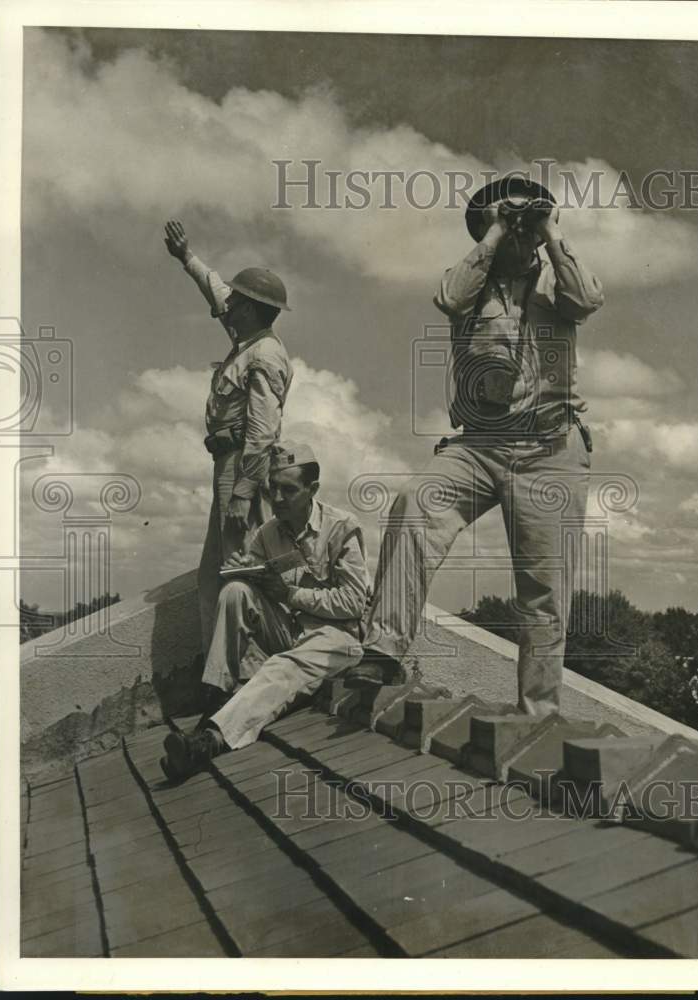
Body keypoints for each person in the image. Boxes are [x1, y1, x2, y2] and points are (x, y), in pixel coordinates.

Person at [347, 176, 604, 717]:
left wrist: (549, 231)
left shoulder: (557, 280)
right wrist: (491, 235)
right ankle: (383, 649)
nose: (515, 231)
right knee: (415, 506)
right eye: (502, 222)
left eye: (521, 222)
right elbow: (448, 297)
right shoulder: (471, 285)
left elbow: (587, 299)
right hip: (478, 445)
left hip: (549, 447)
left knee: (543, 590)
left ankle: (539, 716)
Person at [160, 442, 369, 781]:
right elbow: (255, 588)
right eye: (273, 489)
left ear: (312, 489)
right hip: (289, 630)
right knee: (235, 592)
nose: (279, 498)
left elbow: (354, 602)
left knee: (281, 666)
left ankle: (208, 741)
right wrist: (243, 571)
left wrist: (291, 594)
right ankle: (215, 698)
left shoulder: (342, 527)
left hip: (336, 638)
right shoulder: (268, 532)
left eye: (289, 489)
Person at [164, 220, 294, 656]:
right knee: (213, 575)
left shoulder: (265, 354)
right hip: (228, 464)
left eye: (239, 299)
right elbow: (217, 290)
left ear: (252, 309)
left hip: (242, 466)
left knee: (239, 572)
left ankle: (245, 676)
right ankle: (222, 677)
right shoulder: (247, 340)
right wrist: (187, 258)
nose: (229, 303)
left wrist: (242, 491)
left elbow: (263, 431)